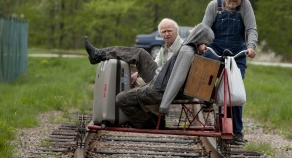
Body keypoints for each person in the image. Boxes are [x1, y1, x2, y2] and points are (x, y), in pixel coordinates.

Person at [84, 23, 213, 129]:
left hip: (160, 88)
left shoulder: (187, 50)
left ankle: (149, 124)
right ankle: (99, 54)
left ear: (198, 34)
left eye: (195, 29)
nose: (192, 29)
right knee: (140, 53)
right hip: (161, 78)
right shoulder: (191, 48)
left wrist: (164, 105)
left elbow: (177, 78)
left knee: (121, 99)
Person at [201, 0, 258, 145]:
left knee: (235, 91)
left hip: (237, 52)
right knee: (204, 65)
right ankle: (206, 97)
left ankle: (237, 132)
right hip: (215, 48)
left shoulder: (245, 6)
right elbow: (205, 28)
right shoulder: (214, 6)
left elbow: (251, 28)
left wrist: (251, 46)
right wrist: (202, 43)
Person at [131, 18, 184, 86]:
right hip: (160, 80)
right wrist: (138, 73)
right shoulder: (164, 48)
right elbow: (155, 64)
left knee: (132, 84)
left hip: (169, 86)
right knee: (133, 79)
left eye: (169, 31)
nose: (166, 34)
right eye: (163, 32)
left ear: (176, 31)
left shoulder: (182, 48)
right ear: (160, 34)